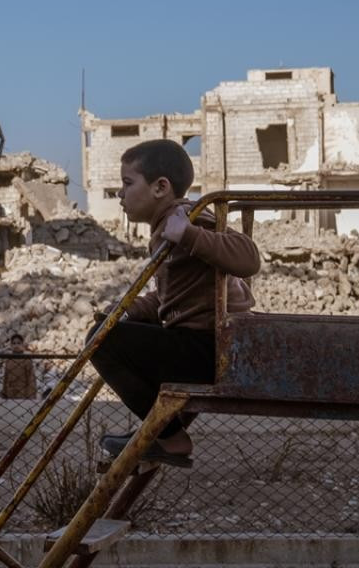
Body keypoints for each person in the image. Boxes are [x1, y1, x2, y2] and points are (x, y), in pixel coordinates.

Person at [89, 139, 260, 467]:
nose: (121, 194)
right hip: (202, 342)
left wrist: (189, 234)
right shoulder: (166, 228)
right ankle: (158, 431)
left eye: (127, 183)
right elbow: (171, 298)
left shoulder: (185, 216)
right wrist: (126, 310)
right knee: (112, 329)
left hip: (212, 346)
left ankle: (168, 436)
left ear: (160, 187)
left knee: (100, 341)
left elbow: (249, 259)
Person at [1, 333, 37, 399]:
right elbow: (6, 378)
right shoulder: (9, 360)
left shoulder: (26, 360)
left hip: (23, 394)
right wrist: (4, 392)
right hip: (10, 393)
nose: (16, 345)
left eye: (18, 343)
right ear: (11, 345)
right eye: (14, 343)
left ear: (22, 345)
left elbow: (31, 378)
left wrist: (31, 395)